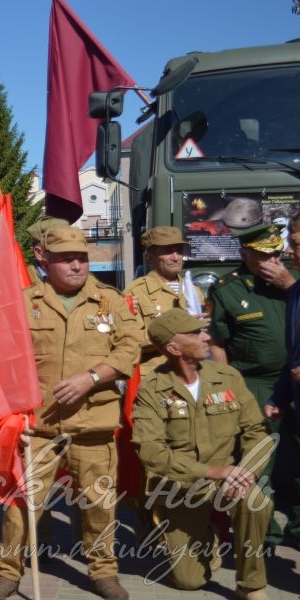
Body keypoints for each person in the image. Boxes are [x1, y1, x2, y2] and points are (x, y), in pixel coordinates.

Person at [0, 226, 142, 600]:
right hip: (38, 425)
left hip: (94, 424)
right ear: (44, 259)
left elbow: (130, 349)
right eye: (67, 258)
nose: (77, 265)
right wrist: (11, 417)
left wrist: (91, 377)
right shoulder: (25, 301)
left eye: (82, 258)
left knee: (99, 504)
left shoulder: (110, 301)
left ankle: (103, 571)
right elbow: (3, 359)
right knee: (23, 505)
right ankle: (8, 572)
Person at [132, 308, 272, 600]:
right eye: (196, 333)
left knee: (256, 502)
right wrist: (209, 472)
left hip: (229, 475)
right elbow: (150, 450)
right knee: (189, 582)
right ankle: (205, 537)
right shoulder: (152, 389)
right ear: (173, 347)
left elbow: (256, 432)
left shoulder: (227, 377)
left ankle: (251, 585)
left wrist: (246, 473)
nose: (206, 336)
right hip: (182, 484)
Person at [208, 223, 296, 547]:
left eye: (276, 252)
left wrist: (290, 285)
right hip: (257, 384)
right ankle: (265, 535)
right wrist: (228, 390)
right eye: (263, 255)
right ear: (245, 255)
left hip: (297, 378)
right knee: (261, 462)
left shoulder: (293, 280)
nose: (273, 260)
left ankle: (298, 529)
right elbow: (218, 343)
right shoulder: (227, 288)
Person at [125, 227, 206, 377]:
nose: (176, 257)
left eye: (179, 251)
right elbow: (129, 340)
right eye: (168, 251)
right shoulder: (136, 291)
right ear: (149, 257)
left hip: (194, 373)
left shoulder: (194, 291)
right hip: (158, 376)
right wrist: (173, 333)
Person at [266, 214, 300, 550]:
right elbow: (294, 354)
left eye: (297, 244)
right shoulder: (295, 291)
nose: (290, 251)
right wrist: (279, 395)